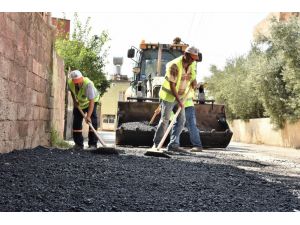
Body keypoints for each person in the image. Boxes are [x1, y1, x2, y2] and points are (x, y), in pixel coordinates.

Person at [153, 46, 199, 153]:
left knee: (181, 120)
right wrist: (179, 101)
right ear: (185, 54)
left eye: (194, 59)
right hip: (169, 97)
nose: (193, 60)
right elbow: (172, 86)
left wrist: (194, 81)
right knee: (165, 120)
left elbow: (192, 76)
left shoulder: (191, 64)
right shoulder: (174, 65)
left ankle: (173, 145)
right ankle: (156, 144)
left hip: (181, 97)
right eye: (191, 58)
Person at [68, 70, 100, 150]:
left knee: (93, 121)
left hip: (92, 101)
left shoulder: (88, 84)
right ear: (73, 81)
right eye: (76, 82)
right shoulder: (70, 83)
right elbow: (72, 91)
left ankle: (92, 144)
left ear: (82, 77)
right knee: (76, 122)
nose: (78, 83)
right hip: (80, 104)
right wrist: (74, 101)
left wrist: (88, 116)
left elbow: (91, 101)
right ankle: (78, 144)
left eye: (79, 81)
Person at [183, 87, 203, 152]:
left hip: (185, 104)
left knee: (191, 126)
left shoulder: (186, 79)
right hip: (183, 103)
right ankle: (173, 144)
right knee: (191, 125)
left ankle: (197, 145)